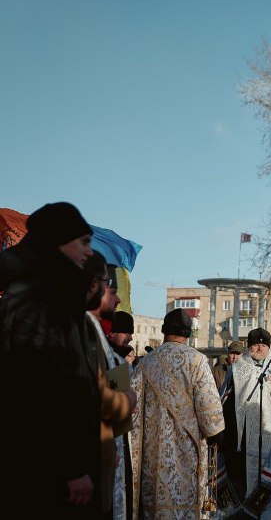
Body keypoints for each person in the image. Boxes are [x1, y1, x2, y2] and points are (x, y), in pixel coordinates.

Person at [0, 202, 100, 515]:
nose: (88, 252)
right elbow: (38, 389)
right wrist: (71, 467)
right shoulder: (36, 299)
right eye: (83, 242)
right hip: (44, 477)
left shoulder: (52, 294)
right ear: (59, 241)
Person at [129, 308, 225, 519]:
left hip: (152, 457)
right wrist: (216, 433)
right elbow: (211, 415)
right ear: (189, 333)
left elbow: (132, 413)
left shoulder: (145, 363)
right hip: (187, 453)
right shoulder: (197, 361)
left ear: (164, 330)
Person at [85, 253, 137, 520]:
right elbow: (101, 402)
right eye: (113, 291)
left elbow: (120, 422)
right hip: (86, 469)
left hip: (109, 460)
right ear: (94, 286)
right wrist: (128, 399)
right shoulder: (83, 334)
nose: (117, 300)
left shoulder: (109, 350)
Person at [219, 328, 271, 503]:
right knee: (239, 471)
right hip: (241, 430)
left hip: (266, 429)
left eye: (263, 345)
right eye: (255, 345)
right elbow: (225, 395)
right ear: (249, 346)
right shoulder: (237, 367)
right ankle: (240, 505)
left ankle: (264, 505)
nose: (259, 348)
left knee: (265, 468)